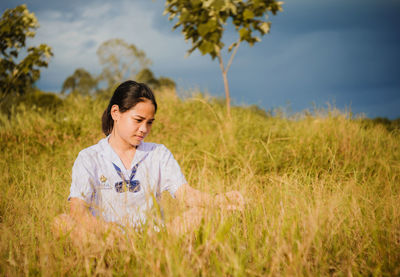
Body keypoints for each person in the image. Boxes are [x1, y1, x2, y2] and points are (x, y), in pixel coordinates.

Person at [54, 80, 243, 242]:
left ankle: (153, 254)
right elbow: (77, 210)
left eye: (149, 122)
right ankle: (111, 256)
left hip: (155, 239)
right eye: (138, 120)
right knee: (61, 222)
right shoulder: (89, 157)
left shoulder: (158, 153)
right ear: (116, 113)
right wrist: (108, 232)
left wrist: (221, 200)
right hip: (106, 238)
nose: (144, 129)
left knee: (203, 213)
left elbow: (187, 195)